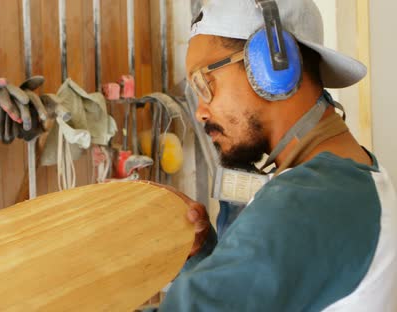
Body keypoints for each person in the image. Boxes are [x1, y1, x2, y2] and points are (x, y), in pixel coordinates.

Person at [148, 0, 397, 310]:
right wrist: (202, 254)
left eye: (204, 83)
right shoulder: (344, 180)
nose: (199, 112)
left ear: (273, 64)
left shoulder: (312, 200)